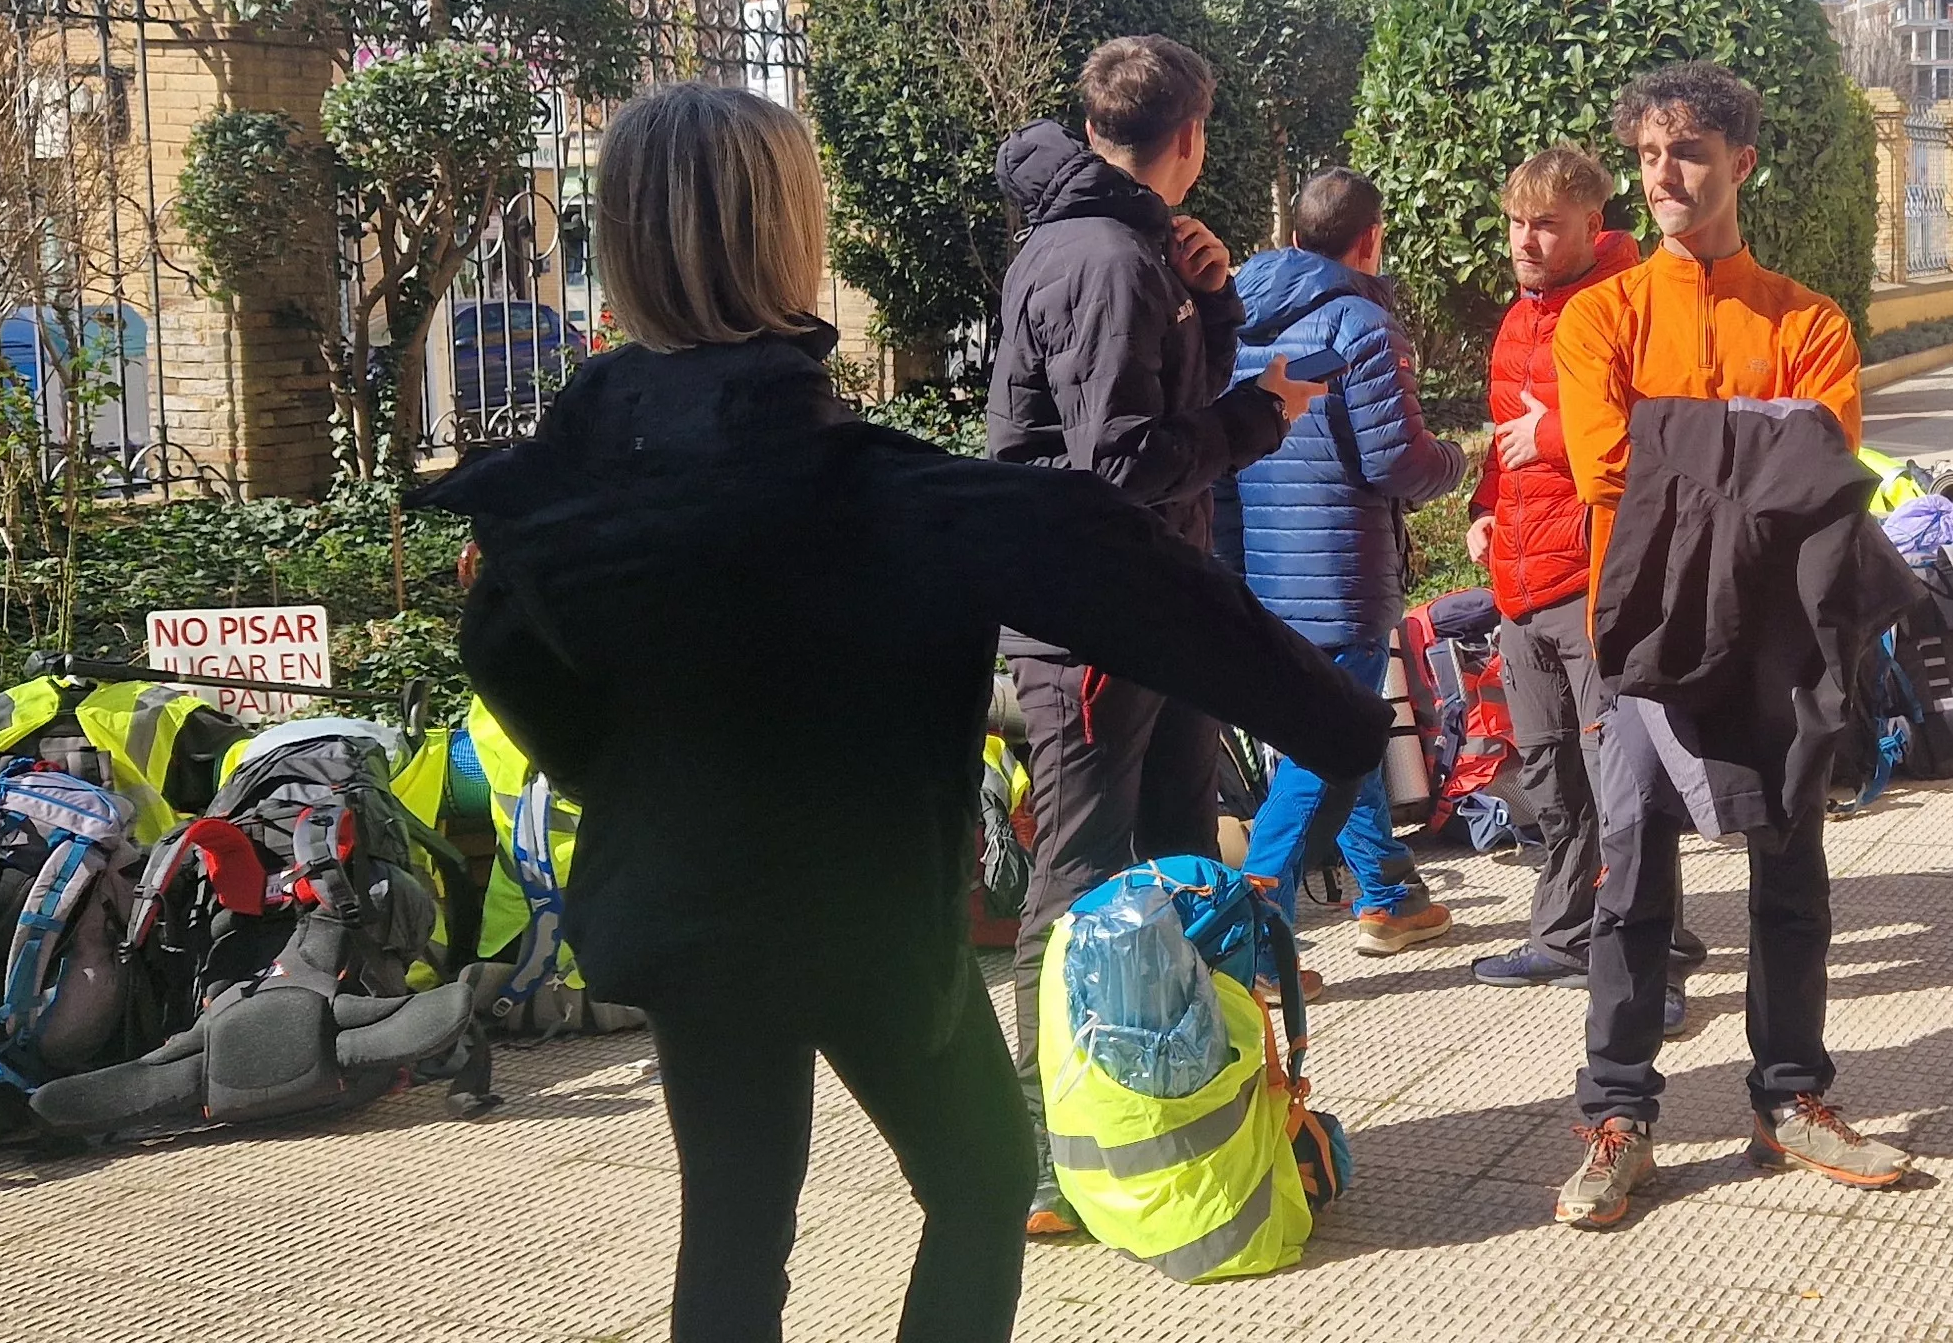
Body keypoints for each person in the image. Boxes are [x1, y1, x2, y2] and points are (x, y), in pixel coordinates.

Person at [426, 84, 1388, 1343]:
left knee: (733, 1227)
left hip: (682, 911)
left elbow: (508, 661)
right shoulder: (882, 494)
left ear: (619, 244)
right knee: (981, 1182)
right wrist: (1336, 719)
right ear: (793, 236)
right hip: (863, 914)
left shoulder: (557, 497)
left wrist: (641, 791)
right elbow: (1106, 556)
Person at [1546, 62, 1908, 1229]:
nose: (1665, 174)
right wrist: (1751, 444)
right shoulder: (1600, 316)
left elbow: (1822, 471)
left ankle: (1790, 1094)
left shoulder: (1807, 320)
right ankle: (1618, 1112)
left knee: (1790, 870)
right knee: (1630, 877)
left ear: (1741, 164)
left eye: (1689, 153)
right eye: (1650, 155)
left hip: (1777, 639)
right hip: (1643, 639)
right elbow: (1607, 466)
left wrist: (1680, 443)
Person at [981, 34, 1328, 1237]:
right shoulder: (1102, 258)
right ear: (1189, 135)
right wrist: (1260, 416)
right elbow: (1123, 463)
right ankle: (1043, 1157)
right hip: (1093, 615)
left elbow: (1155, 405)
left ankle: (1194, 1108)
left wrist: (1217, 301)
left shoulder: (1130, 246)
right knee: (1079, 873)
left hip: (1154, 600)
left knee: (1183, 847)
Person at [1464, 146, 1705, 1009]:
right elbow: (1505, 439)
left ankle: (1655, 961)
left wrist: (1557, 437)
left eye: (1545, 226)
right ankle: (1563, 937)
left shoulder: (1627, 307)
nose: (1524, 241)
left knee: (1628, 786)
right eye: (1515, 224)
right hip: (1520, 582)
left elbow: (1662, 430)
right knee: (1550, 779)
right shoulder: (1516, 318)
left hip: (1597, 581)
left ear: (1591, 226)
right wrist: (1483, 509)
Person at [1223, 167, 1468, 955]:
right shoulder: (1360, 325)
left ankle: (1389, 894)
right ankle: (1253, 946)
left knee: (1339, 729)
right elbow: (1398, 462)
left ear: (1295, 237)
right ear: (1372, 239)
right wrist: (1457, 460)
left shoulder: (1233, 321)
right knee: (1317, 752)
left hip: (1260, 576)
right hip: (1341, 577)